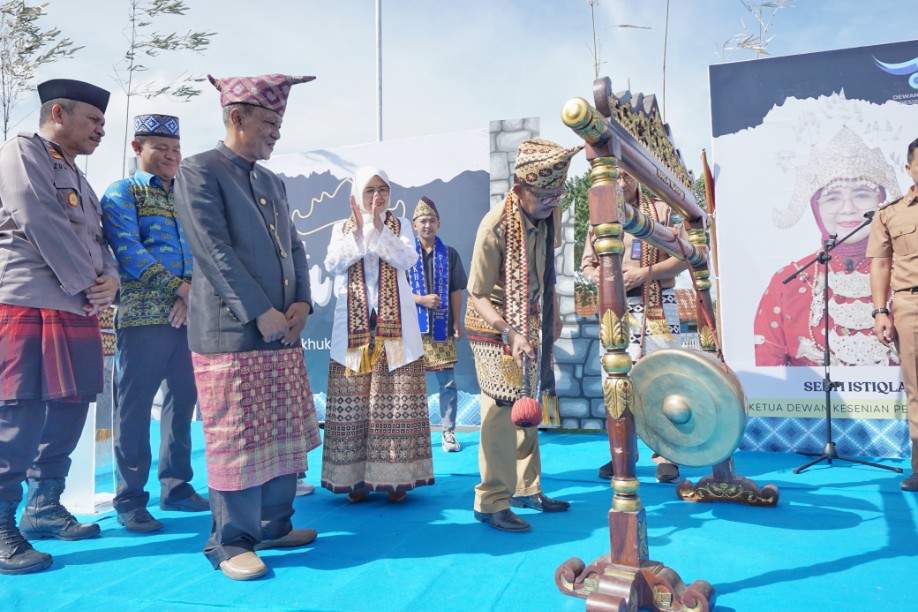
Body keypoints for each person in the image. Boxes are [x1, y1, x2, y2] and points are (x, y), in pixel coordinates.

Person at [174, 73, 322, 581]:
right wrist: (260, 311)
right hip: (231, 335)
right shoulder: (198, 172)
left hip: (283, 330)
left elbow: (295, 246)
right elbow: (213, 251)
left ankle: (274, 524)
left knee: (279, 433)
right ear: (236, 118)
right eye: (270, 122)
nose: (277, 133)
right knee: (236, 440)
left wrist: (302, 302)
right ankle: (229, 541)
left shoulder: (270, 180)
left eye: (280, 122)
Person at [0, 79, 117, 575]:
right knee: (17, 416)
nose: (101, 130)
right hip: (28, 301)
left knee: (72, 409)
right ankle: (2, 525)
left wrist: (110, 276)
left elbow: (99, 239)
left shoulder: (80, 178)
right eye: (93, 120)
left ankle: (44, 505)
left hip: (76, 306)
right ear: (58, 113)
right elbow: (37, 217)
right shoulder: (20, 152)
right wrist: (88, 282)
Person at [101, 114, 207, 534]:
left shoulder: (187, 196)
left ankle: (177, 486)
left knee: (184, 400)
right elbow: (128, 251)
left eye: (176, 150)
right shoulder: (122, 193)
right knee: (134, 408)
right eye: (161, 148)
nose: (171, 156)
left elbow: (203, 250)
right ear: (137, 148)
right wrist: (180, 290)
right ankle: (129, 499)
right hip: (143, 318)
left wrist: (191, 292)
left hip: (188, 316)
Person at [465, 138, 578, 533]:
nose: (552, 202)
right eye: (545, 195)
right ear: (519, 189)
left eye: (556, 194)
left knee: (527, 405)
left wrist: (553, 315)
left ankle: (526, 488)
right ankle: (491, 501)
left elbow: (547, 272)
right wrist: (509, 331)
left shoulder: (549, 213)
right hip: (492, 322)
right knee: (500, 409)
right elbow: (477, 294)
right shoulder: (494, 226)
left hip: (528, 318)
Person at [321, 168, 434, 503]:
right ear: (357, 193)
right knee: (353, 405)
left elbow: (407, 258)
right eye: (369, 190)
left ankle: (396, 481)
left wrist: (380, 229)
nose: (377, 197)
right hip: (353, 336)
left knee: (394, 406)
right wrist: (358, 233)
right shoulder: (341, 228)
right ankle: (354, 481)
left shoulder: (401, 227)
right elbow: (333, 264)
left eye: (382, 189)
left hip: (395, 334)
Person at [755, 126, 901, 367]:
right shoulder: (788, 282)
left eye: (862, 194)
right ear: (816, 208)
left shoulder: (909, 274)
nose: (848, 208)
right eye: (833, 197)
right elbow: (769, 370)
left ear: (881, 202)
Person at [581, 170, 687, 483]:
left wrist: (645, 273)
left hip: (658, 303)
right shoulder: (598, 217)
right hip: (616, 309)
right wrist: (604, 278)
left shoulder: (662, 211)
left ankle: (666, 454)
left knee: (662, 379)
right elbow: (588, 267)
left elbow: (686, 258)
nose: (621, 183)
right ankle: (625, 454)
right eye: (614, 178)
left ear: (636, 179)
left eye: (626, 177)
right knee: (616, 382)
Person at [867, 136, 918, 492]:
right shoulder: (892, 213)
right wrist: (880, 311)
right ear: (909, 168)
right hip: (910, 306)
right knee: (917, 390)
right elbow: (881, 263)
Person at [408, 196, 468, 452]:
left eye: (432, 220)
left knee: (446, 383)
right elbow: (394, 292)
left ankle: (448, 432)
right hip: (412, 330)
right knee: (411, 386)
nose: (427, 225)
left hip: (441, 330)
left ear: (439, 224)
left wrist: (457, 320)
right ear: (413, 225)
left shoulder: (449, 254)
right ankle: (413, 435)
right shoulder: (405, 255)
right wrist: (420, 299)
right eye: (423, 220)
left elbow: (456, 290)